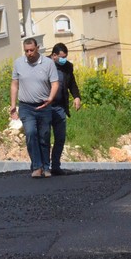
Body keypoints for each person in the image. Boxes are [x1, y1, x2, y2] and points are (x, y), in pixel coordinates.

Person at [10, 38, 59, 178]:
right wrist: (13, 105)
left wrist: (50, 97)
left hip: (44, 106)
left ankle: (46, 166)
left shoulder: (48, 63)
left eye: (32, 50)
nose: (29, 53)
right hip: (26, 106)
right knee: (31, 133)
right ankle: (37, 166)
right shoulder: (18, 63)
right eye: (26, 51)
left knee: (44, 136)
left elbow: (55, 83)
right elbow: (14, 84)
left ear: (37, 48)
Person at [47, 43, 81, 176]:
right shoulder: (44, 64)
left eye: (65, 57)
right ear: (53, 55)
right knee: (44, 137)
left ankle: (55, 165)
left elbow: (72, 83)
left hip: (60, 107)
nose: (64, 60)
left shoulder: (67, 67)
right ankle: (44, 166)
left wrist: (76, 96)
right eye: (61, 57)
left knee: (60, 137)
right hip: (45, 107)